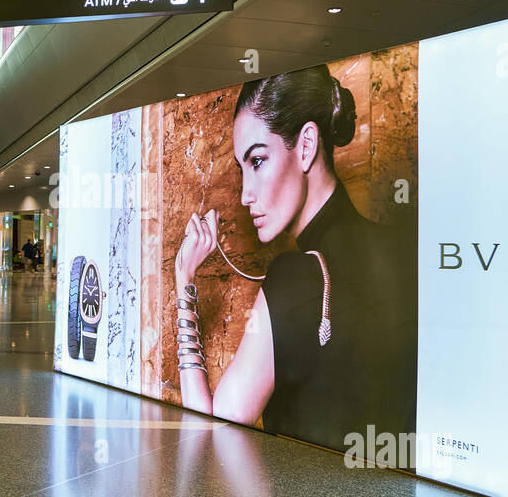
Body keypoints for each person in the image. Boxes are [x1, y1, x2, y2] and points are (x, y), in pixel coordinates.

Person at [173, 65, 416, 454]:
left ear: (305, 146)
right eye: (241, 169)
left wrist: (183, 280)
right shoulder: (407, 248)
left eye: (257, 161)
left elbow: (210, 435)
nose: (244, 195)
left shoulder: (296, 279)